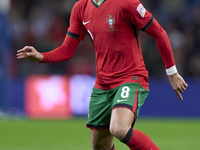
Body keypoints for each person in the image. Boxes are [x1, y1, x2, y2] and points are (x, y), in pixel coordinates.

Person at [17, 0, 188, 149]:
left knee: (119, 128)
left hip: (130, 78)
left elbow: (159, 32)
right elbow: (67, 49)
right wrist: (41, 57)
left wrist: (172, 72)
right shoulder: (80, 8)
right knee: (99, 145)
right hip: (102, 85)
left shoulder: (127, 3)